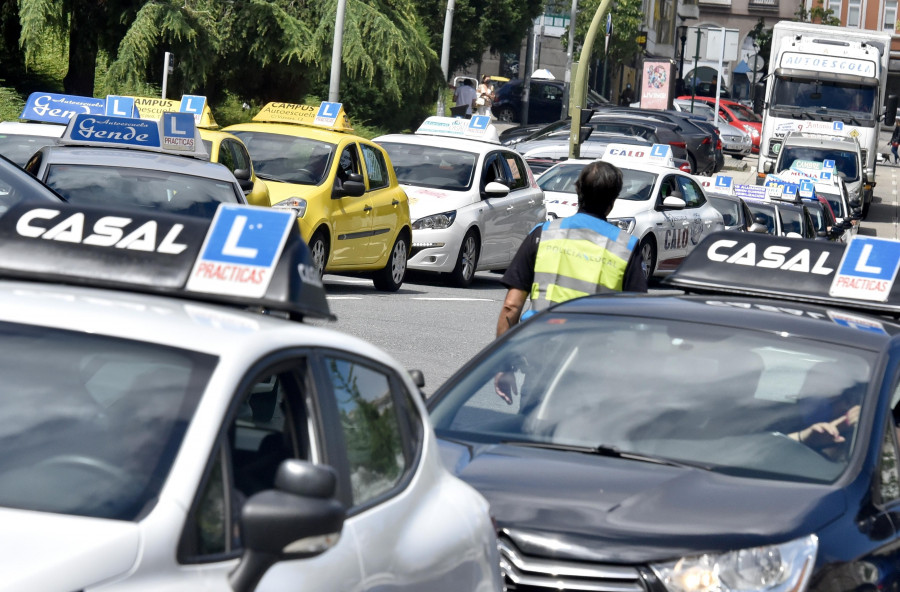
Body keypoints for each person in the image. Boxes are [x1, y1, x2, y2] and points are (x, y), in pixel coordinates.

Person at [494, 161, 648, 403]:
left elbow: (511, 307)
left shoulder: (543, 234)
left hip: (541, 356)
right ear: (613, 200)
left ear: (578, 191)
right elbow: (637, 322)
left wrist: (504, 365)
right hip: (594, 366)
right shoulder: (626, 247)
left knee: (531, 428)